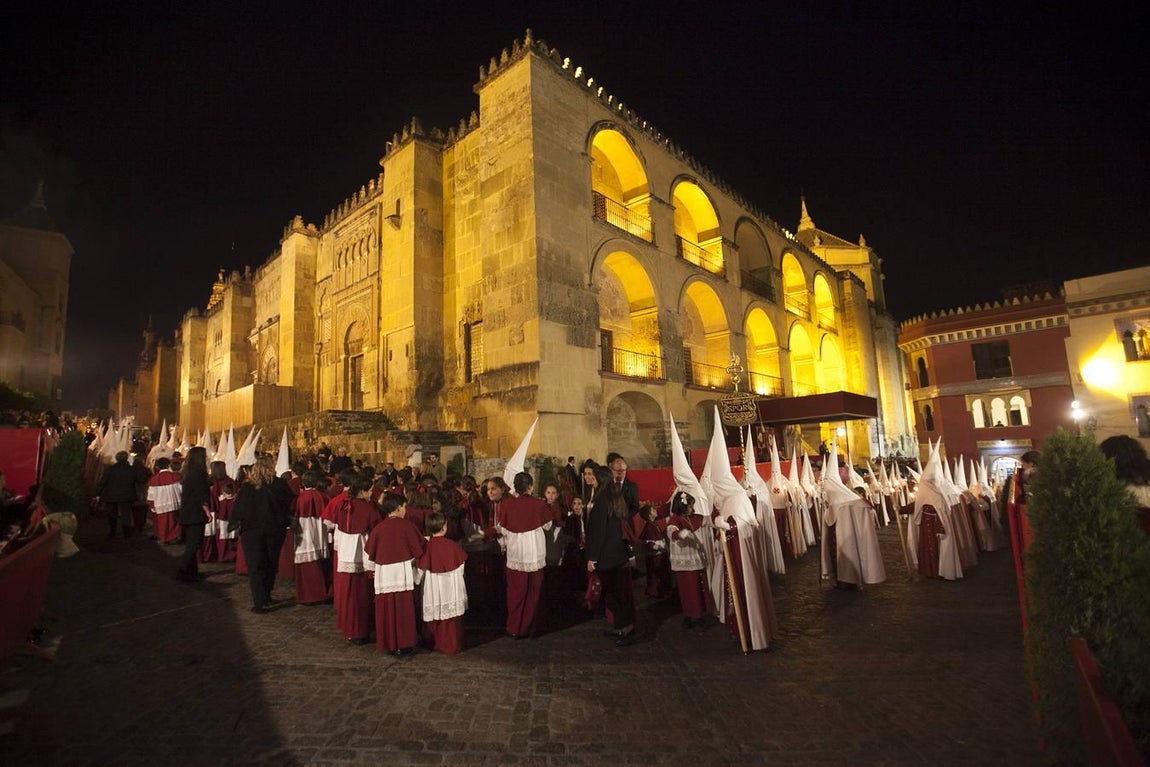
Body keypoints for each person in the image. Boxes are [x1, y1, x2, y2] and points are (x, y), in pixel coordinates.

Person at [230, 456, 294, 613]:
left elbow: (240, 508)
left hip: (252, 531)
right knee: (270, 562)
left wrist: (235, 523)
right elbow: (289, 504)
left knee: (255, 565)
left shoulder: (248, 487)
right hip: (274, 529)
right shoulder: (280, 485)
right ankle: (266, 594)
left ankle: (259, 600)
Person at [364, 492, 425, 656]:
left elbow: (370, 551)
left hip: (384, 575)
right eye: (404, 507)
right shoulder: (407, 526)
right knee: (403, 609)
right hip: (402, 574)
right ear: (398, 508)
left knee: (387, 609)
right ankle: (404, 644)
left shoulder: (379, 528)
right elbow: (418, 548)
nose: (406, 510)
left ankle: (389, 643)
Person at [585, 464, 637, 646]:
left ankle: (625, 628)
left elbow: (599, 531)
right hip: (617, 554)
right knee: (617, 593)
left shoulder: (602, 500)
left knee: (615, 595)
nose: (590, 479)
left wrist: (592, 557)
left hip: (607, 556)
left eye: (593, 477)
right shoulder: (613, 497)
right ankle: (622, 626)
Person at [327, 474, 381, 644]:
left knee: (348, 596)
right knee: (361, 596)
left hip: (345, 555)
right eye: (370, 490)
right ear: (363, 491)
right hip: (363, 557)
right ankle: (360, 630)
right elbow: (376, 529)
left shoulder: (343, 504)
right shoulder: (368, 509)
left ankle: (349, 628)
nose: (372, 493)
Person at [498, 472, 553, 639]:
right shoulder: (539, 504)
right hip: (534, 553)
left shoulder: (507, 504)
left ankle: (515, 628)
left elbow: (504, 529)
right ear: (530, 486)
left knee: (515, 593)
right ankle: (531, 628)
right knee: (534, 594)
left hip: (516, 554)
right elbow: (548, 526)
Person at [415, 511, 468, 655]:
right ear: (444, 527)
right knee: (451, 617)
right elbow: (461, 567)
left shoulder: (426, 547)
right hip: (451, 587)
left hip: (432, 587)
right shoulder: (453, 546)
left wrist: (417, 581)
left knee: (434, 614)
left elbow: (420, 571)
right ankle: (452, 644)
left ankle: (433, 642)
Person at [666, 491, 711, 628]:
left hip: (694, 557)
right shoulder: (675, 519)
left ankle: (699, 613)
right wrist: (679, 534)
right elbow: (671, 531)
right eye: (690, 506)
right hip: (684, 560)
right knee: (687, 589)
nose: (692, 509)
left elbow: (707, 519)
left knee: (698, 587)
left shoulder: (692, 517)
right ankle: (690, 614)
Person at [294, 470, 332, 604]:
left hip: (305, 533)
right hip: (320, 531)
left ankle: (309, 594)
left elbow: (297, 515)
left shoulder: (301, 497)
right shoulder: (323, 496)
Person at [176, 446, 211, 582]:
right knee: (194, 544)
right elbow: (200, 493)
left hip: (188, 512)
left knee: (192, 543)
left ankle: (192, 572)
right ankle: (183, 570)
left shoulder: (189, 472)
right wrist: (206, 509)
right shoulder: (198, 473)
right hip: (195, 513)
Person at [97, 451, 140, 538]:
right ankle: (126, 532)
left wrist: (97, 493)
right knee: (126, 514)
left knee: (112, 514)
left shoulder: (110, 469)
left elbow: (103, 482)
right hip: (127, 495)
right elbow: (139, 480)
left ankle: (112, 531)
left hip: (112, 494)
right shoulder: (131, 470)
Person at [145, 457, 182, 544]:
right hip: (174, 504)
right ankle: (174, 537)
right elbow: (181, 490)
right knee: (173, 522)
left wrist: (151, 505)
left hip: (160, 505)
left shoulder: (154, 480)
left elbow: (151, 496)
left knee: (163, 523)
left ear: (157, 467)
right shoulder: (176, 477)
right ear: (169, 465)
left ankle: (163, 537)